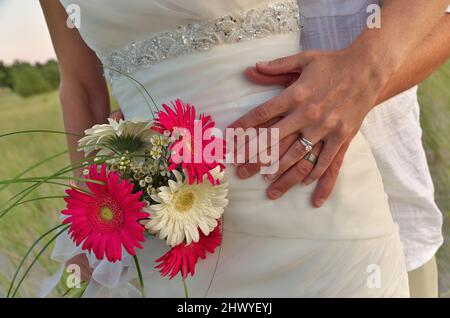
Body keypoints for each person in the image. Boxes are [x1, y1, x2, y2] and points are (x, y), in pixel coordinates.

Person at [38, 0, 444, 297]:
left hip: (303, 195)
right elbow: (81, 87)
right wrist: (90, 224)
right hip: (161, 230)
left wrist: (363, 71)